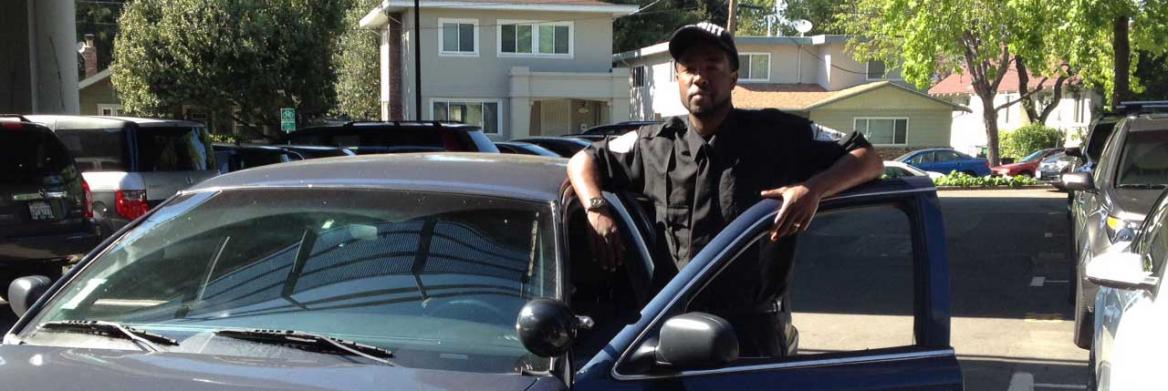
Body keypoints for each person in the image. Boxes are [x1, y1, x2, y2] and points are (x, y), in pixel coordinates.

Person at [566, 22, 884, 357]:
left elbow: (868, 158)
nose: (699, 77)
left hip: (752, 336)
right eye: (689, 68)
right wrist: (596, 206)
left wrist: (813, 189)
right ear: (678, 78)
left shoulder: (778, 137)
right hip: (672, 332)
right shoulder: (654, 145)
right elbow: (583, 160)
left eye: (712, 67)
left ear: (733, 78)